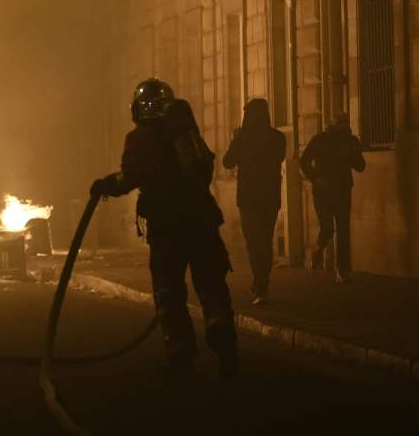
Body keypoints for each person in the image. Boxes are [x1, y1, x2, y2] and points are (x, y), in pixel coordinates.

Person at [91, 79, 237, 377]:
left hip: (167, 226)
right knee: (211, 285)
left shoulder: (140, 138)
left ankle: (179, 352)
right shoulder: (187, 134)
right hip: (202, 221)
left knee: (169, 291)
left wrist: (106, 185)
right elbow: (204, 166)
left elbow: (130, 177)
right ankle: (223, 337)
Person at [222, 98, 286, 305]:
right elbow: (279, 157)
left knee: (253, 242)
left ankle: (260, 284)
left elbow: (227, 161)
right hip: (269, 197)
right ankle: (262, 283)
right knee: (265, 241)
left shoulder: (243, 138)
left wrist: (236, 139)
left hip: (248, 198)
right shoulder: (277, 138)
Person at [300, 113, 365, 282]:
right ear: (333, 125)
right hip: (324, 191)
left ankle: (341, 268)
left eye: (346, 123)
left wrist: (353, 153)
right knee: (328, 227)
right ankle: (320, 247)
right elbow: (304, 161)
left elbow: (360, 166)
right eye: (341, 123)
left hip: (342, 190)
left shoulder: (350, 142)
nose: (344, 127)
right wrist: (315, 178)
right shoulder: (320, 140)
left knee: (343, 229)